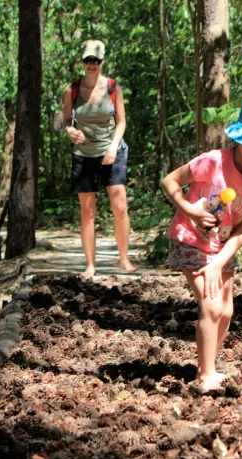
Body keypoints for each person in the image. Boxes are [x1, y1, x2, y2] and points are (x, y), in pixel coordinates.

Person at [161, 93, 242, 391]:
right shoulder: (213, 162)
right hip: (191, 239)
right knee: (211, 306)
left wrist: (220, 262)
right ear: (241, 136)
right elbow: (169, 181)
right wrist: (190, 209)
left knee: (227, 311)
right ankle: (205, 375)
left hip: (223, 249)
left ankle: (208, 364)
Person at [63, 39, 137, 279]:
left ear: (103, 61)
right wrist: (70, 131)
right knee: (87, 210)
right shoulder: (71, 89)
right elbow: (66, 120)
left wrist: (114, 146)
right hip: (84, 155)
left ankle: (124, 259)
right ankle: (90, 265)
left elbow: (122, 121)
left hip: (111, 151)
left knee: (120, 206)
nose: (91, 64)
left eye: (96, 60)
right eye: (87, 60)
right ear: (82, 61)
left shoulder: (114, 87)